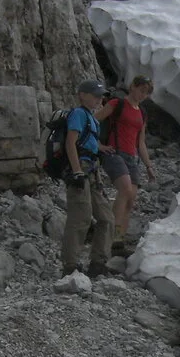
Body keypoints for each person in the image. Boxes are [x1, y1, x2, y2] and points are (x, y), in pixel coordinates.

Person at [96, 75, 157, 255]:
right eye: (141, 90)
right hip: (113, 152)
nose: (142, 95)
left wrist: (148, 166)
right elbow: (92, 121)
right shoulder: (117, 104)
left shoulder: (142, 113)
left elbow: (141, 143)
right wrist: (98, 145)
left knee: (130, 201)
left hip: (132, 157)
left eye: (146, 93)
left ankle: (117, 242)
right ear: (133, 87)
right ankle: (109, 237)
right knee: (125, 190)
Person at [60, 79, 114, 278]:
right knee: (80, 216)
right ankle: (70, 265)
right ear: (82, 95)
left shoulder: (90, 117)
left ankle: (98, 263)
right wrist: (76, 171)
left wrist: (101, 148)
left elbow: (88, 142)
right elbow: (70, 142)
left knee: (106, 218)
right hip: (81, 168)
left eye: (101, 96)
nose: (99, 99)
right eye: (95, 95)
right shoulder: (78, 114)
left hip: (93, 169)